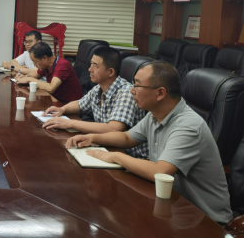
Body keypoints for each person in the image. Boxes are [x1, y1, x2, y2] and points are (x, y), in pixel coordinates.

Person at [65, 61, 233, 225]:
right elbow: (127, 138)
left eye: (137, 85)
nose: (131, 90)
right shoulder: (155, 114)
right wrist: (92, 137)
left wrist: (115, 156)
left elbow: (160, 171)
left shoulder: (188, 126)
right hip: (171, 208)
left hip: (205, 221)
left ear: (160, 93)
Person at [42, 47, 148, 158]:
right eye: (91, 64)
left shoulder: (126, 92)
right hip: (108, 148)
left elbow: (113, 128)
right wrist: (62, 109)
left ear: (110, 72)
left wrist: (69, 123)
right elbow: (80, 104)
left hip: (130, 156)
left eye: (95, 65)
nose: (90, 69)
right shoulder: (99, 88)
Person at [16, 42, 82, 103]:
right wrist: (24, 77)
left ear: (45, 58)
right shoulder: (47, 65)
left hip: (70, 106)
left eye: (35, 62)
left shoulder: (62, 65)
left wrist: (30, 79)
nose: (34, 65)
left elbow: (51, 88)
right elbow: (36, 74)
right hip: (56, 101)